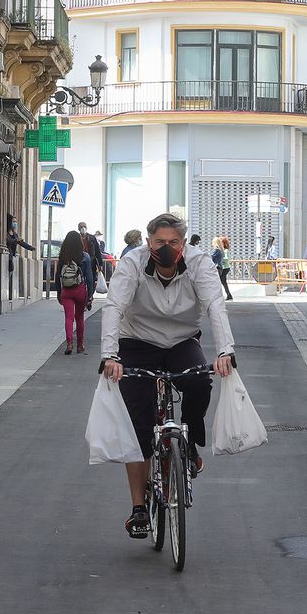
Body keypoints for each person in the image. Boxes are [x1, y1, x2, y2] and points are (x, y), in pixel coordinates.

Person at [100, 214, 237, 539]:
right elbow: (114, 306)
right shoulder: (133, 263)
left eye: (173, 242)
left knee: (199, 380)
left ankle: (188, 445)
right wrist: (110, 355)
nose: (166, 248)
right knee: (139, 426)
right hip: (137, 341)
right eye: (160, 242)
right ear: (149, 242)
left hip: (181, 341)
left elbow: (215, 305)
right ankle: (138, 508)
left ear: (183, 243)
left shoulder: (199, 263)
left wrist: (225, 351)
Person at [55, 231, 90, 355]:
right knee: (79, 317)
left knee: (68, 318)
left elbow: (57, 276)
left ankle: (69, 344)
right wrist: (90, 294)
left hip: (66, 290)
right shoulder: (85, 256)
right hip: (80, 289)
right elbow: (89, 277)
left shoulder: (63, 257)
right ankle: (80, 345)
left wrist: (59, 292)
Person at [211, 236, 234, 301]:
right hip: (224, 268)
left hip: (225, 268)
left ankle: (227, 295)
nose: (220, 243)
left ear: (224, 243)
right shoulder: (222, 250)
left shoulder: (225, 250)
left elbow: (226, 258)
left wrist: (220, 259)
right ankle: (228, 295)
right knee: (223, 282)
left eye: (221, 242)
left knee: (221, 281)